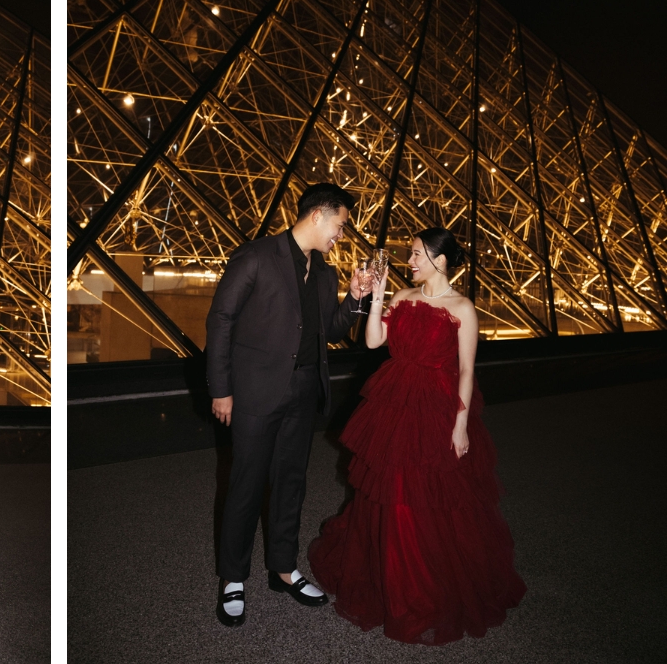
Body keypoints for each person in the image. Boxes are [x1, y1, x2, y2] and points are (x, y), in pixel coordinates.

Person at [307, 228, 526, 645]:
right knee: (390, 494)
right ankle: (395, 578)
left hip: (436, 409)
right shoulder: (403, 297)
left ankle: (427, 583)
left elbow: (466, 371)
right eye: (410, 254)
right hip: (394, 404)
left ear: (440, 261)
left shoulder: (463, 307)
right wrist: (378, 297)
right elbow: (374, 340)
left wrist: (459, 425)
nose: (409, 261)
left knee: (430, 498)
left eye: (415, 255)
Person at [206, 183, 367, 627]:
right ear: (318, 214)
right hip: (256, 393)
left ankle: (283, 569)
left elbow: (329, 330)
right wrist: (221, 389)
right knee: (245, 485)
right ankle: (233, 578)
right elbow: (221, 319)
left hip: (302, 393)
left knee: (291, 483)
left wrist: (354, 298)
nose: (342, 233)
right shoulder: (257, 256)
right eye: (340, 223)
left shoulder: (327, 273)